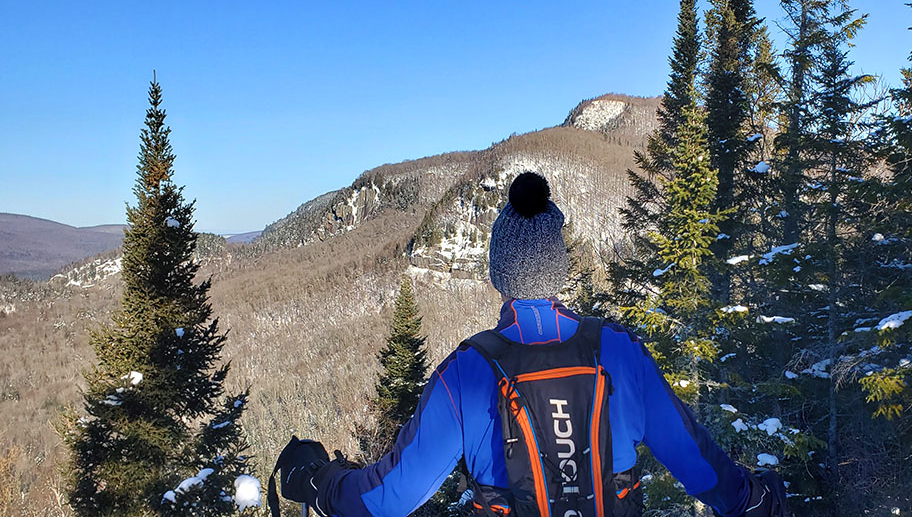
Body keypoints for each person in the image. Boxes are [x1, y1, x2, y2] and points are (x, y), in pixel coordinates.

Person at [278, 172, 787, 517]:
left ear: (499, 271)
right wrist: (754, 496)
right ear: (558, 268)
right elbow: (699, 468)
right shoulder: (619, 352)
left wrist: (318, 480)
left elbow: (386, 501)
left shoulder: (468, 372)